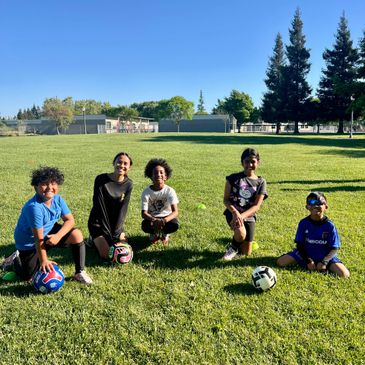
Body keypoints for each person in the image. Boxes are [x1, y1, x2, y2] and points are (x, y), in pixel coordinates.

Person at [3, 166, 92, 284]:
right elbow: (37, 238)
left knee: (76, 234)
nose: (50, 187)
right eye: (44, 184)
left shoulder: (58, 199)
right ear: (35, 187)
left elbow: (70, 220)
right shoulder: (34, 208)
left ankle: (79, 272)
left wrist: (58, 236)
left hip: (48, 233)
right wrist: (44, 260)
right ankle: (15, 260)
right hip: (29, 243)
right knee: (28, 277)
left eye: (53, 183)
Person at [277, 192, 350, 278]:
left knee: (344, 274)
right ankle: (300, 259)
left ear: (326, 207)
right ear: (307, 207)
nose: (315, 206)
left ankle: (322, 264)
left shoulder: (330, 226)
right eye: (311, 203)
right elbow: (299, 245)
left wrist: (324, 262)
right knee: (280, 262)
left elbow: (334, 248)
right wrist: (308, 261)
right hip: (306, 254)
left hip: (324, 256)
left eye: (319, 203)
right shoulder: (303, 223)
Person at [223, 148, 268, 260]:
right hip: (233, 213)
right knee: (241, 234)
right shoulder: (233, 178)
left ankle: (238, 240)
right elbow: (226, 200)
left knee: (246, 253)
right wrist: (235, 213)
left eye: (253, 161)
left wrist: (241, 217)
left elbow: (256, 206)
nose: (250, 164)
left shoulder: (261, 182)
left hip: (249, 216)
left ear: (258, 162)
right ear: (242, 163)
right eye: (247, 161)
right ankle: (233, 248)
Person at [88, 152, 133, 260]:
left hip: (115, 225)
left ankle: (100, 240)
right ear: (114, 163)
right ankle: (93, 239)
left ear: (129, 167)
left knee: (124, 253)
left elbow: (123, 210)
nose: (122, 165)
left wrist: (117, 234)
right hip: (98, 223)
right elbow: (99, 207)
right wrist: (110, 236)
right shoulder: (101, 180)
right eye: (119, 162)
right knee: (108, 255)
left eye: (125, 163)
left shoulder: (128, 184)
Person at [141, 158, 179, 245]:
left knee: (174, 225)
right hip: (152, 217)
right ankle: (154, 234)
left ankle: (165, 234)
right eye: (155, 173)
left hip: (166, 217)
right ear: (151, 176)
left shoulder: (170, 191)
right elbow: (143, 213)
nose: (158, 175)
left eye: (161, 172)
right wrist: (154, 220)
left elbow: (175, 212)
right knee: (145, 225)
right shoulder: (146, 192)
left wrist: (164, 221)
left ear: (166, 176)